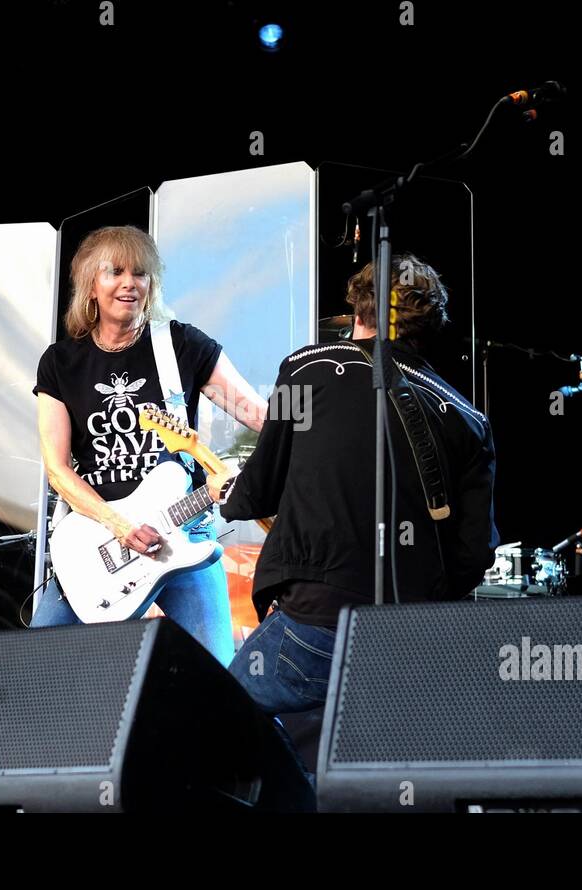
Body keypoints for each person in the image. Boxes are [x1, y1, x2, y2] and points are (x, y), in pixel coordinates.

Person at [211, 254, 499, 710]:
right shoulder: (469, 420)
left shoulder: (303, 370)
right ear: (429, 323)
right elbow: (474, 553)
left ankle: (300, 784)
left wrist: (227, 489)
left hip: (318, 619)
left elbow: (258, 489)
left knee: (219, 719)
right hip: (414, 638)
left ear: (358, 308)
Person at [31, 225, 266, 665]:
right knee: (38, 667)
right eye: (114, 272)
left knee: (215, 681)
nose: (129, 283)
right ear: (90, 286)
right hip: (96, 539)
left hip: (184, 531)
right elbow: (57, 469)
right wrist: (120, 526)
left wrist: (314, 421)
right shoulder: (61, 363)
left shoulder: (181, 345)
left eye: (140, 273)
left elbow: (259, 419)